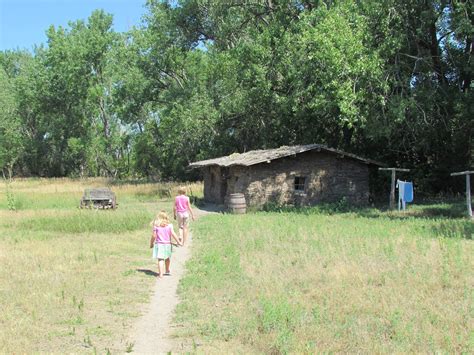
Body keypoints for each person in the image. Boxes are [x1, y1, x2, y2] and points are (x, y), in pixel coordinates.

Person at [150, 211, 180, 278]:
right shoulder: (169, 226)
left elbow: (154, 236)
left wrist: (151, 243)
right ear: (166, 218)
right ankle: (167, 269)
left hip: (159, 245)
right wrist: (178, 241)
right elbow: (173, 234)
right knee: (167, 258)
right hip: (167, 245)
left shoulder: (156, 227)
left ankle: (160, 274)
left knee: (160, 259)